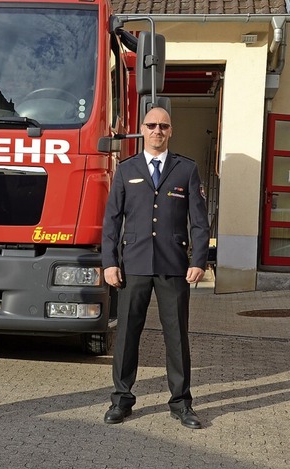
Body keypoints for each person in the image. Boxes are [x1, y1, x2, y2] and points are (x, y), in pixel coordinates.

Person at [101, 107, 210, 429]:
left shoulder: (185, 169)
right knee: (127, 336)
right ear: (143, 129)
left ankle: (181, 403)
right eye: (151, 125)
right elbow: (112, 220)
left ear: (170, 131)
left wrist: (199, 260)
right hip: (133, 265)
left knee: (176, 336)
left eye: (163, 126)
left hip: (173, 266)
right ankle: (121, 400)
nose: (157, 130)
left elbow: (200, 222)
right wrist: (109, 262)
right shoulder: (126, 169)